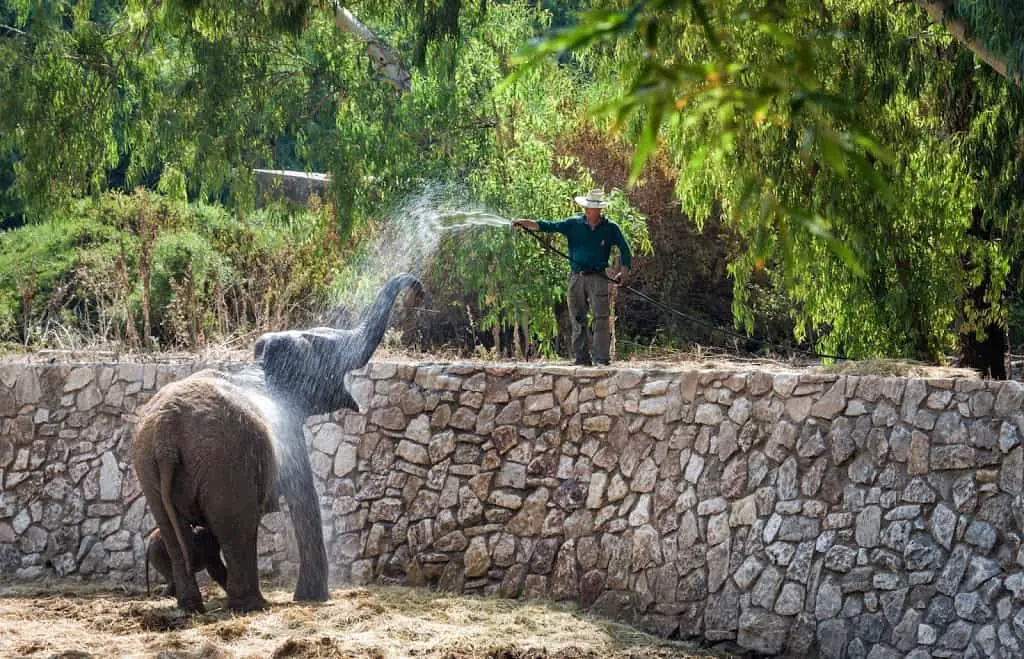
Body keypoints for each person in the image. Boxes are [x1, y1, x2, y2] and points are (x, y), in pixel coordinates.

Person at [513, 188, 632, 366]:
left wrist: (624, 270)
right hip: (576, 277)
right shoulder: (573, 224)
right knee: (578, 318)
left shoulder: (610, 228)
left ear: (600, 209)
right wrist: (524, 223)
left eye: (595, 207)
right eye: (589, 207)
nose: (591, 210)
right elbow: (547, 226)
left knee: (600, 318)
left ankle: (601, 358)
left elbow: (625, 249)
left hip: (598, 277)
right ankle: (581, 358)